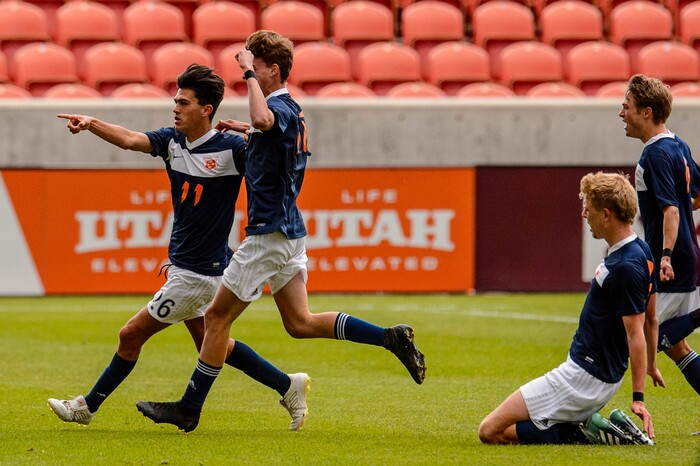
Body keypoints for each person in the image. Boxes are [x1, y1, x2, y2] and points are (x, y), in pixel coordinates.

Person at [135, 30, 426, 432]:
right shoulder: (291, 112)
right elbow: (267, 131)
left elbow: (263, 118)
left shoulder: (278, 108)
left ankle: (189, 408)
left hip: (268, 234)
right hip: (290, 233)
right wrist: (247, 131)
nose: (248, 74)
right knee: (300, 323)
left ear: (272, 71)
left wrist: (246, 80)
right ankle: (389, 338)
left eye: (255, 68)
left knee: (216, 318)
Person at [47, 64, 310, 432]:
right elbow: (130, 139)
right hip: (192, 265)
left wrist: (256, 131)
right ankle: (287, 385)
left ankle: (86, 407)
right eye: (175, 101)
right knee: (215, 343)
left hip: (199, 274)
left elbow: (273, 162)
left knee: (130, 335)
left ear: (206, 109)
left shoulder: (233, 150)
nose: (175, 108)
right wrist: (92, 123)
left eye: (183, 103)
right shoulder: (173, 141)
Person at [479, 172, 661, 445]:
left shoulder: (625, 267)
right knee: (517, 425)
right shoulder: (641, 250)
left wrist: (639, 399)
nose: (585, 214)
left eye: (589, 208)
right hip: (591, 374)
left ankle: (585, 432)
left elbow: (636, 332)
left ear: (607, 214)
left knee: (490, 431)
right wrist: (653, 366)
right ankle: (586, 425)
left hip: (582, 379)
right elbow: (652, 319)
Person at [620, 74, 700, 395]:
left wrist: (665, 255)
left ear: (646, 112)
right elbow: (694, 195)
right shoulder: (677, 144)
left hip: (670, 262)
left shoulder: (654, 154)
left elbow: (671, 210)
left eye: (626, 106)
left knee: (635, 331)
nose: (621, 113)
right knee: (674, 345)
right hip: (683, 255)